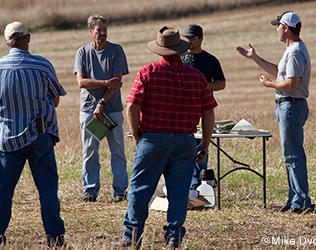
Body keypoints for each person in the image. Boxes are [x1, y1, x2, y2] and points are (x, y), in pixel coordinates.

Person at [112, 26, 217, 249]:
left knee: (140, 191)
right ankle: (173, 238)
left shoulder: (148, 72)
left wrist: (138, 138)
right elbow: (208, 112)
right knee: (179, 194)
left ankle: (131, 237)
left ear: (159, 50)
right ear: (180, 50)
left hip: (152, 140)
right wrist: (205, 144)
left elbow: (132, 106)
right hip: (185, 141)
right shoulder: (196, 76)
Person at [235, 11, 312, 214]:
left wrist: (270, 85)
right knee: (291, 155)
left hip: (291, 105)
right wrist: (255, 58)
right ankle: (295, 200)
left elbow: (291, 83)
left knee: (293, 155)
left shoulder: (295, 51)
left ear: (286, 28)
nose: (276, 29)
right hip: (290, 106)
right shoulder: (294, 49)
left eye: (278, 26)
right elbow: (281, 71)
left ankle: (301, 202)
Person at [0, 21, 66, 247]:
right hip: (40, 136)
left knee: (3, 191)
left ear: (8, 42)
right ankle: (55, 238)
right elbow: (55, 100)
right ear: (28, 39)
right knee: (47, 190)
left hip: (8, 139)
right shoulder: (42, 65)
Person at [74, 14, 129, 203]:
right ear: (91, 32)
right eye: (99, 29)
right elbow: (82, 82)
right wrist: (106, 82)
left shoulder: (116, 51)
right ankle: (90, 191)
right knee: (89, 151)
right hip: (89, 110)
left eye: (105, 29)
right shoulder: (83, 52)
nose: (103, 33)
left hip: (111, 109)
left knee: (118, 150)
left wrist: (102, 103)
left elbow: (117, 83)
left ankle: (120, 191)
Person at [181, 24, 226, 190]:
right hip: (182, 110)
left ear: (201, 39)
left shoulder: (210, 60)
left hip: (203, 110)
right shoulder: (179, 58)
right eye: (187, 37)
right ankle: (191, 183)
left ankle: (201, 183)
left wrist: (201, 85)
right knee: (185, 146)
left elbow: (221, 84)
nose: (189, 41)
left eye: (193, 38)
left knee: (201, 146)